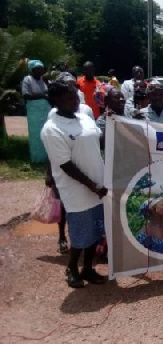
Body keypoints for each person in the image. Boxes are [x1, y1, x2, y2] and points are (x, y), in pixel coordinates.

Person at [41, 81, 107, 288]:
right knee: (80, 234)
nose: (75, 101)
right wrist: (92, 185)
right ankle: (72, 268)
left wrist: (117, 126)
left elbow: (100, 141)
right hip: (77, 190)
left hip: (98, 186)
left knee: (96, 232)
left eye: (75, 96)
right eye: (69, 98)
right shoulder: (52, 129)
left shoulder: (85, 119)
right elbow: (66, 165)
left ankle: (88, 268)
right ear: (56, 101)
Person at [21, 59, 51, 163]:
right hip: (34, 112)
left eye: (41, 69)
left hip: (46, 111)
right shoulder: (27, 79)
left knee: (47, 133)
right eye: (37, 69)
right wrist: (43, 95)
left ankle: (48, 157)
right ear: (31, 70)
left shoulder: (44, 80)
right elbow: (26, 95)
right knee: (36, 135)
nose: (40, 71)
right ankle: (37, 159)